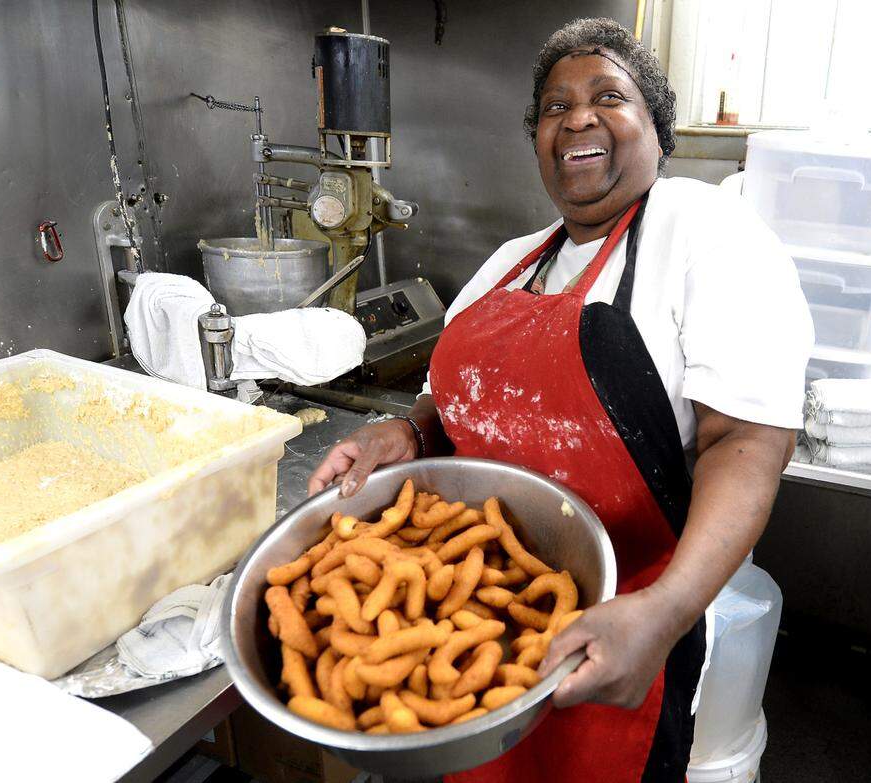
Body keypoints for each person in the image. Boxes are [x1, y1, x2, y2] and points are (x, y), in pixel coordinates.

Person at [307, 16, 813, 783]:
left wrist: (666, 612)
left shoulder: (707, 233)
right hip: (474, 620)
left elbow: (746, 443)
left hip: (630, 622)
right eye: (554, 106)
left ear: (657, 128)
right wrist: (404, 434)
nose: (577, 118)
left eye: (609, 96)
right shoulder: (512, 263)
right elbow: (445, 406)